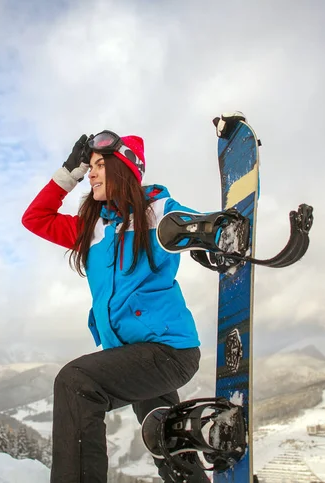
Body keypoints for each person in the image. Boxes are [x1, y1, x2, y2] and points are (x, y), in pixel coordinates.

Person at [22, 130, 211, 483]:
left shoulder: (158, 212)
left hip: (168, 352)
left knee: (76, 383)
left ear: (123, 168)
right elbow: (35, 218)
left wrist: (220, 233)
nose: (89, 174)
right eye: (88, 167)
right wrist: (69, 171)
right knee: (163, 435)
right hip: (133, 356)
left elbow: (200, 226)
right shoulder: (90, 228)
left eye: (97, 166)